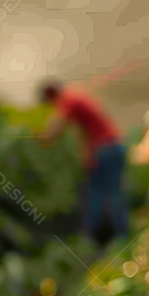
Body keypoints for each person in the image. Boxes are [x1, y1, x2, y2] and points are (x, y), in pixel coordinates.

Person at [38, 79, 128, 246]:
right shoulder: (77, 96)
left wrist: (41, 138)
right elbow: (84, 133)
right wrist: (87, 156)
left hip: (106, 149)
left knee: (99, 192)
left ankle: (96, 238)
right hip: (113, 146)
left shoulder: (68, 100)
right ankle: (117, 237)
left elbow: (57, 125)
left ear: (51, 97)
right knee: (111, 191)